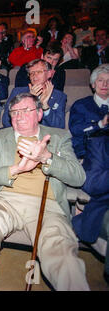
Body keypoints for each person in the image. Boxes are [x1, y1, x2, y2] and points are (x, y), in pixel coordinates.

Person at [0, 92, 89, 291]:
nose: (19, 116)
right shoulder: (0, 137)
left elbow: (78, 177)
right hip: (6, 199)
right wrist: (18, 169)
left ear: (39, 114)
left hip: (47, 205)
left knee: (63, 256)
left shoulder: (58, 137)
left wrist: (47, 157)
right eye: (14, 112)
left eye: (26, 110)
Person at [69, 64, 108, 285]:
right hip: (87, 156)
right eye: (101, 81)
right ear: (92, 84)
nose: (105, 85)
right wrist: (100, 123)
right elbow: (76, 131)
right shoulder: (82, 105)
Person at [3, 59, 66, 129]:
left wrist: (45, 106)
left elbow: (60, 126)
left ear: (49, 74)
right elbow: (6, 121)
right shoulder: (17, 92)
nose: (34, 75)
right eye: (32, 73)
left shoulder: (59, 96)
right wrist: (28, 100)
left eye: (39, 72)